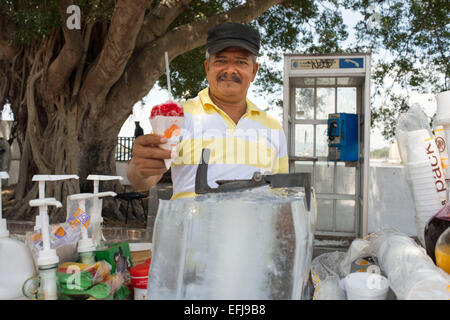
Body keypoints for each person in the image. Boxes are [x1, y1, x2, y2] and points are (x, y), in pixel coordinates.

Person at [127, 22, 288, 199]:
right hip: (190, 225)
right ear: (207, 68)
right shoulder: (178, 117)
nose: (230, 70)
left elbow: (279, 194)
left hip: (254, 227)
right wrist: (139, 168)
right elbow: (143, 181)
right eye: (221, 61)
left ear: (254, 71)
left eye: (241, 62)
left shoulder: (273, 127)